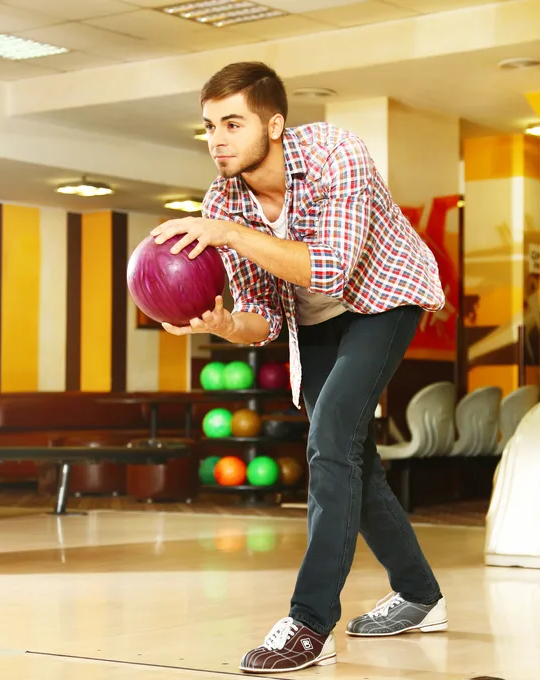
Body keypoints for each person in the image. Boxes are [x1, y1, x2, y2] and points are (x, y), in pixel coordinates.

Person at [151, 62, 448, 673]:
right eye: (209, 127)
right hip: (311, 322)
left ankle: (308, 623)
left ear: (275, 123)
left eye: (233, 123)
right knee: (351, 461)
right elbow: (261, 318)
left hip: (383, 296)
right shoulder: (221, 199)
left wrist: (227, 235)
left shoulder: (339, 152)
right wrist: (222, 325)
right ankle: (420, 594)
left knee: (331, 436)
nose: (218, 140)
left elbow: (330, 270)